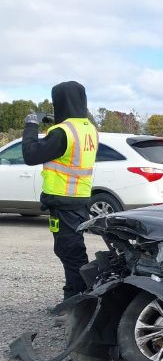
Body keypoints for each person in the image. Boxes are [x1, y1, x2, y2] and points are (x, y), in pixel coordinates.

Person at [22, 81, 98, 300]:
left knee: (71, 253)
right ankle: (73, 296)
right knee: (72, 249)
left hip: (65, 200)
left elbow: (30, 155)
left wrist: (31, 125)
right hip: (78, 198)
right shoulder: (88, 129)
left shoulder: (62, 132)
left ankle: (80, 302)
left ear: (60, 103)